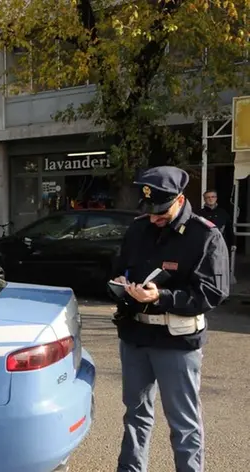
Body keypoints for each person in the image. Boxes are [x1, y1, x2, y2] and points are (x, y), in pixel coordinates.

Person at [111, 166, 230, 472]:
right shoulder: (138, 228)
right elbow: (120, 267)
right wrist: (121, 286)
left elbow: (211, 294)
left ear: (180, 199)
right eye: (149, 211)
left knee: (183, 423)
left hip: (177, 342)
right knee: (135, 415)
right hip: (135, 337)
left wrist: (161, 297)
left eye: (160, 212)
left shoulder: (205, 235)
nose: (154, 219)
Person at [197, 189, 236, 254]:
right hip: (205, 246)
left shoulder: (223, 213)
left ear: (216, 198)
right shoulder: (199, 214)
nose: (210, 199)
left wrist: (233, 243)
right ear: (204, 199)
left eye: (213, 197)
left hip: (221, 245)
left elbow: (229, 229)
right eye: (208, 197)